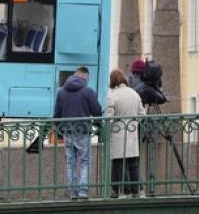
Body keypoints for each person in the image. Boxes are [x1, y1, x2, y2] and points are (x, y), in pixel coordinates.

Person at [54, 66, 103, 199]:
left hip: (67, 132)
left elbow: (57, 114)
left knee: (70, 162)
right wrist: (98, 125)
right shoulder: (88, 91)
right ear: (85, 76)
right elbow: (97, 111)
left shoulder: (61, 92)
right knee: (85, 161)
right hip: (83, 131)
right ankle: (83, 190)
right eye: (88, 77)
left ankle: (72, 192)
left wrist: (60, 129)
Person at [105, 69, 146, 198]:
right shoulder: (134, 94)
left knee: (120, 163)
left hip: (118, 134)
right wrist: (134, 123)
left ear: (112, 81)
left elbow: (109, 119)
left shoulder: (112, 96)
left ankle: (126, 191)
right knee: (133, 163)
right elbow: (142, 113)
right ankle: (137, 191)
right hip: (132, 133)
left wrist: (106, 130)